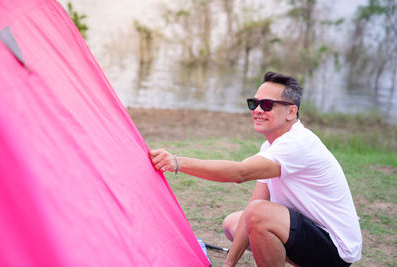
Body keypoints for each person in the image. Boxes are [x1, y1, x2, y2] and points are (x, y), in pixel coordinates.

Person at [149, 71, 362, 267]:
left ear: (291, 112)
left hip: (336, 250)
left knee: (258, 215)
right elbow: (254, 202)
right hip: (311, 233)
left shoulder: (297, 144)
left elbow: (239, 173)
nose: (258, 110)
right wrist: (228, 264)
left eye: (268, 104)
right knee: (234, 223)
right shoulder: (272, 145)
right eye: (254, 103)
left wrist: (177, 162)